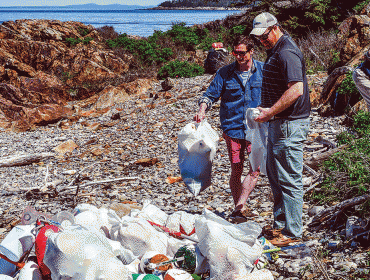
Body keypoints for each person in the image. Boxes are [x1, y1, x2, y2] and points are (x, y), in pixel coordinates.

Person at [251, 12, 311, 246]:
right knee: (276, 175)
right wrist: (267, 110)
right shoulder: (276, 49)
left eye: (264, 36)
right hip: (278, 121)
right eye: (258, 38)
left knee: (288, 178)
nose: (262, 41)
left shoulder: (286, 52)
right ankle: (281, 225)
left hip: (288, 123)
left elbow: (296, 89)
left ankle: (292, 232)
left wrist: (271, 111)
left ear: (275, 28)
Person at [194, 35, 264, 223]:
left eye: (242, 53)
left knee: (255, 169)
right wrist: (202, 110)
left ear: (251, 51)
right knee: (236, 169)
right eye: (236, 53)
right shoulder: (224, 73)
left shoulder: (263, 70)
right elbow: (210, 96)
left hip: (256, 129)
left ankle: (240, 204)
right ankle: (238, 209)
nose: (239, 57)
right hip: (232, 128)